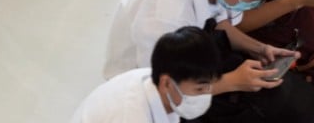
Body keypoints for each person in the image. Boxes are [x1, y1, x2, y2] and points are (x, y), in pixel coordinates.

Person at [104, 0, 314, 122]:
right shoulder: (164, 16)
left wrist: (259, 48)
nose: (255, 4)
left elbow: (217, 22)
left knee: (299, 102)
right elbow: (165, 90)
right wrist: (232, 81)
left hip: (192, 56)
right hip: (154, 89)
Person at [72, 26, 222, 123]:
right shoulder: (131, 116)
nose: (206, 95)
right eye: (199, 89)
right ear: (166, 83)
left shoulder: (159, 81)